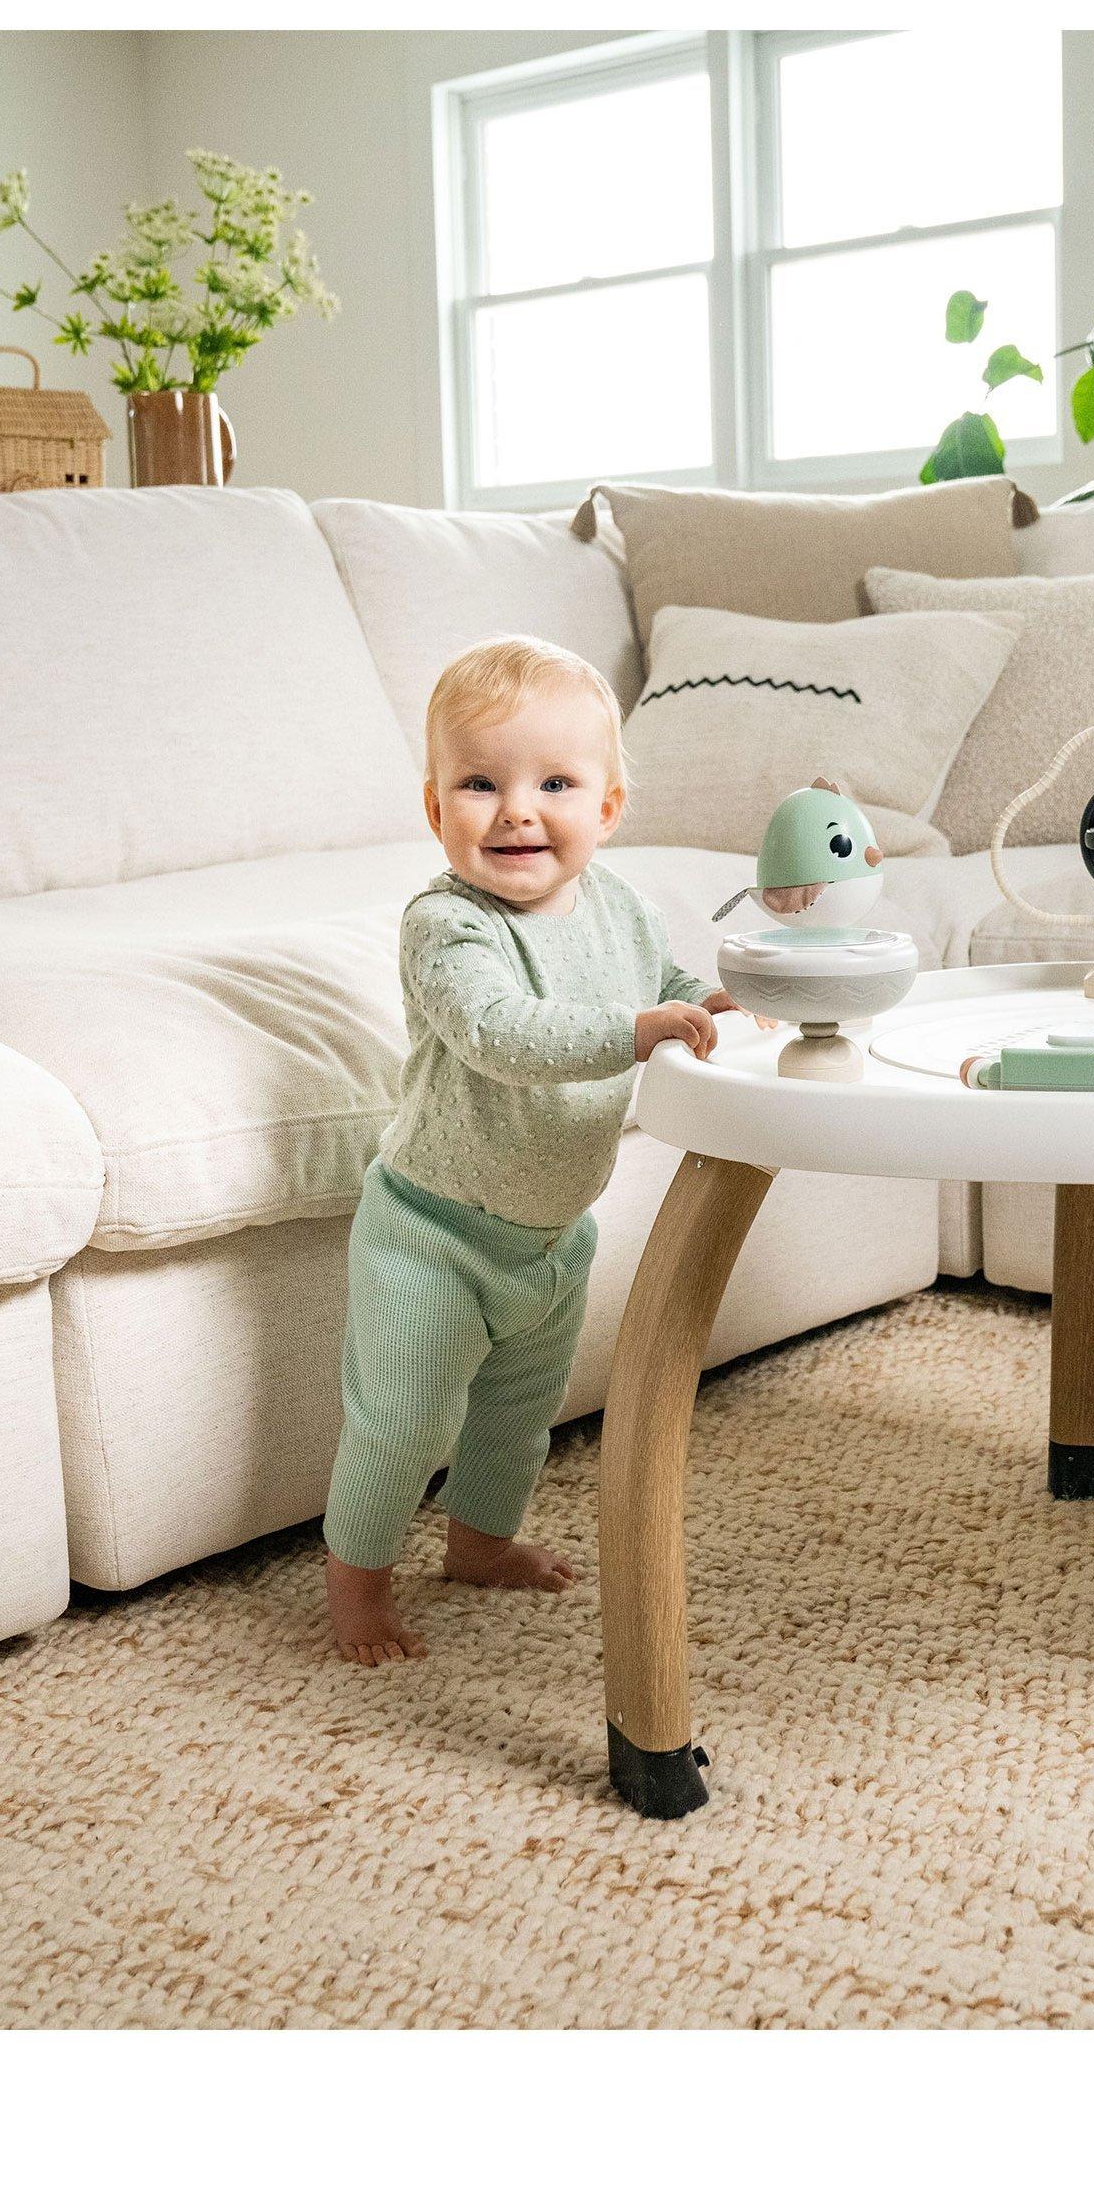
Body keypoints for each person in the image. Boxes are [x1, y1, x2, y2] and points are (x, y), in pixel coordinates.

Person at [322, 634, 744, 1662]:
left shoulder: (620, 905)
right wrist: (640, 1031)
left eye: (555, 783)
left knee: (519, 1416)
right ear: (436, 811)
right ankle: (357, 1589)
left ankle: (480, 1545)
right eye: (480, 784)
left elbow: (664, 982)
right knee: (403, 1422)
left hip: (553, 1236)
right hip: (432, 1232)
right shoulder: (447, 925)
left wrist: (711, 1004)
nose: (516, 810)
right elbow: (502, 1035)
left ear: (608, 808)